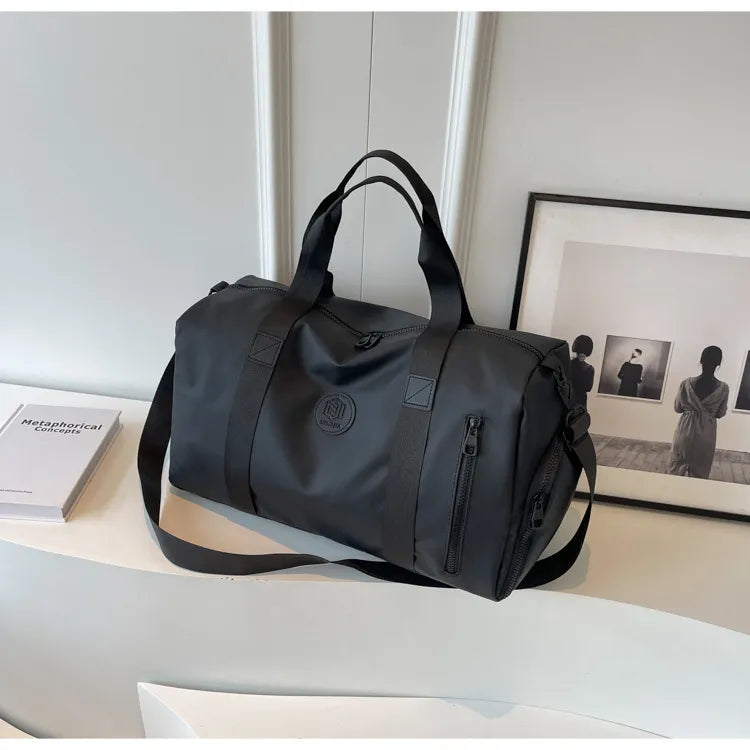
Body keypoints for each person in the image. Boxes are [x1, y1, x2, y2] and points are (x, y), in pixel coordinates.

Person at [668, 346, 729, 480]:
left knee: (675, 470)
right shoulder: (724, 388)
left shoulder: (686, 384)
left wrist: (691, 408)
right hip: (706, 434)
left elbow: (678, 408)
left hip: (685, 431)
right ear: (718, 364)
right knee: (700, 474)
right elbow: (720, 413)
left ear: (701, 361)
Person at [570, 334, 595, 408]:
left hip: (566, 398)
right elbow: (588, 388)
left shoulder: (567, 364)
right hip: (580, 402)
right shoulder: (589, 368)